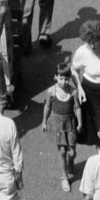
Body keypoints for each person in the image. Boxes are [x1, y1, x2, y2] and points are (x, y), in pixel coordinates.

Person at [42, 59, 80, 192]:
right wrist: (44, 122)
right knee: (62, 151)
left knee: (72, 152)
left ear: (69, 79)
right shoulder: (51, 91)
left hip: (70, 124)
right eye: (61, 78)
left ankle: (70, 162)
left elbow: (77, 108)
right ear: (56, 77)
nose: (63, 82)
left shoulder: (73, 91)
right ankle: (64, 177)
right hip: (57, 124)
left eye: (66, 79)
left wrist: (80, 122)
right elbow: (47, 107)